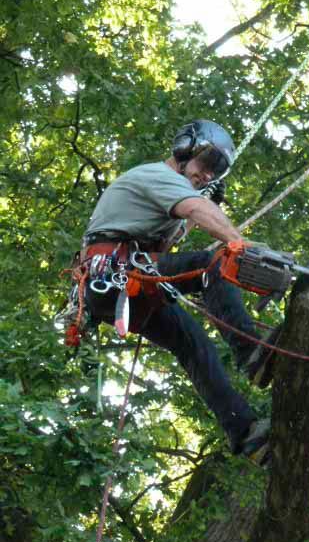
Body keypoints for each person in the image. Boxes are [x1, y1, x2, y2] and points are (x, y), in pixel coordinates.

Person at [82, 120, 275, 463]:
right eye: (206, 164)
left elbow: (170, 238)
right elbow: (198, 210)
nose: (206, 175)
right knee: (213, 265)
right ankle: (251, 352)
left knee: (192, 343)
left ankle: (246, 433)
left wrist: (191, 219)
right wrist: (241, 246)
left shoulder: (170, 192)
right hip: (117, 270)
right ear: (184, 149)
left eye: (215, 171)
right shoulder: (157, 175)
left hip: (126, 282)